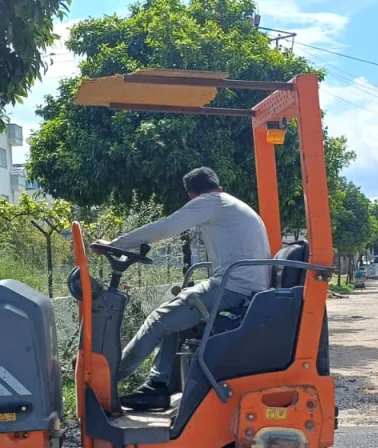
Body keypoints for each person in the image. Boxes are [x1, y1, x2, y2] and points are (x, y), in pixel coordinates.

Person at [100, 167, 271, 411]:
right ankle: (157, 386)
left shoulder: (211, 203)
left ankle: (105, 381)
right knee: (171, 317)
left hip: (232, 287)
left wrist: (117, 244)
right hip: (240, 285)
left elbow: (167, 226)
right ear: (217, 184)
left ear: (192, 195)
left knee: (157, 320)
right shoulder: (230, 204)